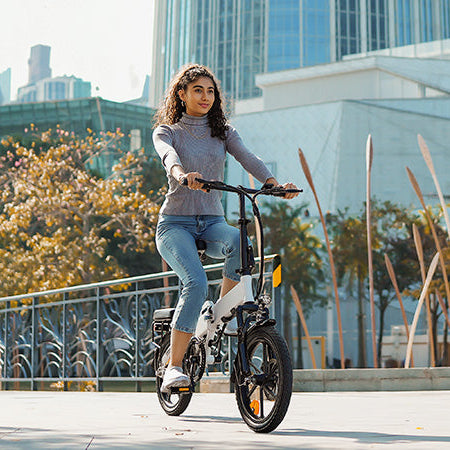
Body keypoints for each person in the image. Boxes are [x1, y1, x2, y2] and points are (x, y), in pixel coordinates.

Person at [152, 63, 299, 392]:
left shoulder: (223, 132)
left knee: (240, 242)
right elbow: (168, 156)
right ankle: (175, 367)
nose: (205, 97)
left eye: (210, 91)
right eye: (197, 90)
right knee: (195, 282)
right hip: (175, 224)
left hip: (212, 221)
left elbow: (248, 157)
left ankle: (218, 319)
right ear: (181, 94)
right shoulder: (168, 130)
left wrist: (273, 184)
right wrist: (181, 175)